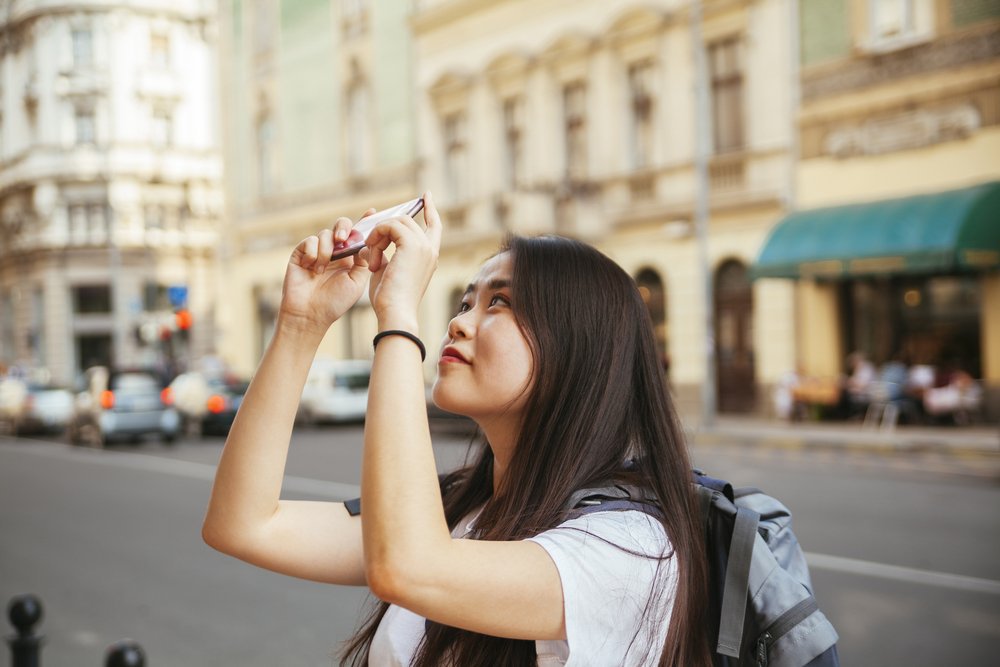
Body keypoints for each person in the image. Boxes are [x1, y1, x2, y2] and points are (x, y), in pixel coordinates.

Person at [202, 192, 710, 666]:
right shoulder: (463, 510)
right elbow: (242, 524)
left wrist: (397, 317)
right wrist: (300, 323)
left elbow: (404, 568)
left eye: (500, 304)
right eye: (466, 303)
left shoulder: (630, 548)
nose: (459, 323)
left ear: (578, 351)